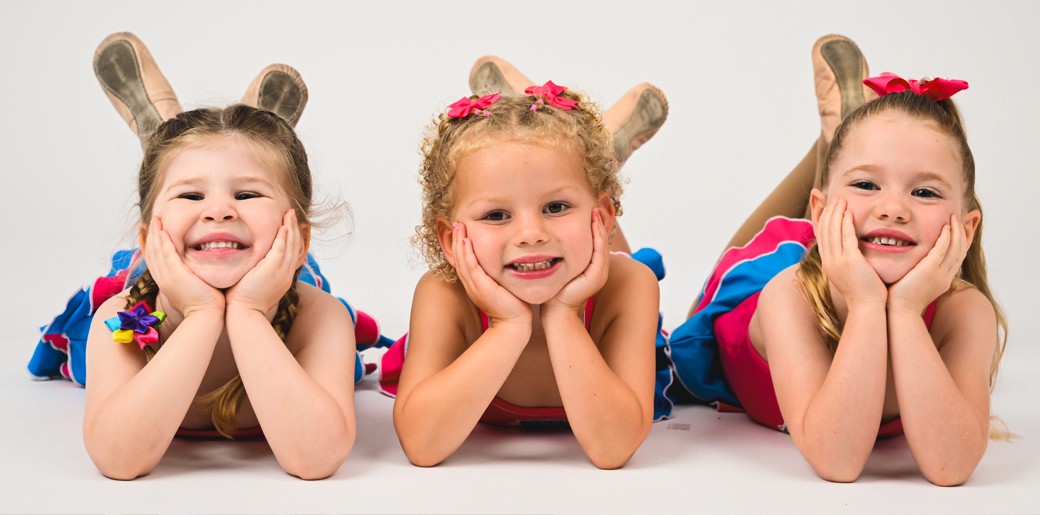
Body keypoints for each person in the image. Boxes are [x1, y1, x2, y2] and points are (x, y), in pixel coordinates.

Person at [665, 34, 1008, 486]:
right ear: (822, 211)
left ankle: (837, 147)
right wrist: (868, 304)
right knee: (706, 298)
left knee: (845, 200)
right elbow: (838, 461)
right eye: (868, 185)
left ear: (966, 229)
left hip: (851, 240)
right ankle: (829, 150)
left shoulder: (964, 311)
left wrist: (903, 310)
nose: (894, 208)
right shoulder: (785, 297)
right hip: (766, 290)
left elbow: (951, 465)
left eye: (924, 192)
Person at [382, 78, 664, 469]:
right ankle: (587, 149)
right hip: (573, 239)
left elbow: (614, 449)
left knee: (612, 254)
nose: (531, 235)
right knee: (569, 224)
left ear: (602, 214)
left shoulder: (630, 285)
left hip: (602, 257)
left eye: (555, 207)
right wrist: (507, 325)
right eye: (496, 215)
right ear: (449, 239)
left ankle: (597, 153)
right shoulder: (444, 293)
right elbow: (422, 446)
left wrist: (565, 314)